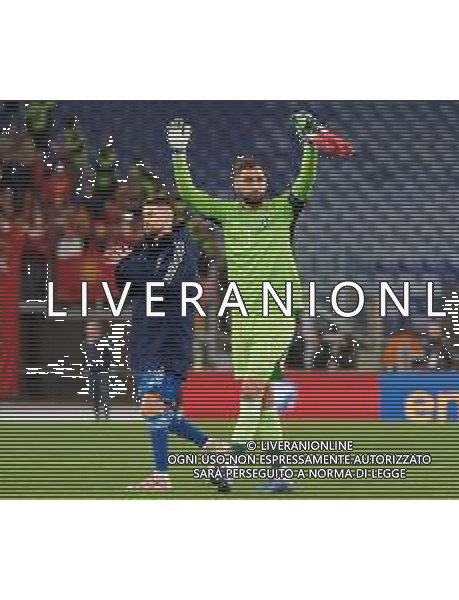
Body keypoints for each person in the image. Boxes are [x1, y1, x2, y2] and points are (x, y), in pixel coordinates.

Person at [167, 113, 343, 492]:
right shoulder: (225, 213)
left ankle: (228, 462)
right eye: (247, 179)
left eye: (260, 178)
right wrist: (179, 151)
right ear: (234, 186)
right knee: (259, 394)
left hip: (279, 307)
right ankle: (279, 475)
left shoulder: (284, 209)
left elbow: (305, 181)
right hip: (243, 314)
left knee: (252, 387)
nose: (255, 183)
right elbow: (188, 194)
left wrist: (308, 146)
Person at [111, 196, 214, 493]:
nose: (153, 219)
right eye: (148, 214)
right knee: (155, 410)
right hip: (145, 335)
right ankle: (210, 447)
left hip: (168, 338)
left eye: (159, 214)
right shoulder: (144, 248)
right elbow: (124, 279)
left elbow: (164, 283)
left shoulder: (182, 245)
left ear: (171, 217)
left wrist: (134, 271)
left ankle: (163, 474)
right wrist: (136, 271)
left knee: (155, 406)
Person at [80, 321, 111, 419]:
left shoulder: (103, 342)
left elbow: (109, 356)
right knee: (94, 393)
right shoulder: (85, 344)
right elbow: (84, 358)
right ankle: (96, 413)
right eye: (89, 328)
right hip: (91, 371)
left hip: (102, 371)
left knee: (104, 393)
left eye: (93, 328)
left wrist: (106, 367)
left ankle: (106, 414)